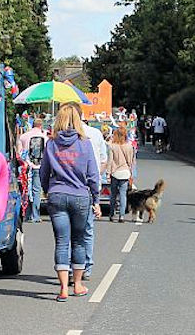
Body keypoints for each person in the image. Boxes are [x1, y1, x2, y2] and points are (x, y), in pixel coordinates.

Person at [39, 103, 100, 301]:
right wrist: (96, 199)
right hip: (80, 196)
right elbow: (93, 175)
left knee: (62, 242)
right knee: (79, 241)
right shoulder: (85, 143)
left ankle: (63, 288)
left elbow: (43, 172)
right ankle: (78, 284)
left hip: (57, 194)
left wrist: (49, 191)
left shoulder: (51, 143)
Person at [80, 115, 108, 278]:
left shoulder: (60, 135)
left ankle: (71, 267)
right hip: (90, 186)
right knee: (87, 229)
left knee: (70, 232)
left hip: (67, 187)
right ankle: (87, 267)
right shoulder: (96, 134)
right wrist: (97, 177)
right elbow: (104, 161)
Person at [17, 118, 48, 223]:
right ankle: (35, 215)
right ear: (41, 126)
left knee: (26, 190)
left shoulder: (23, 136)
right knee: (36, 191)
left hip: (26, 167)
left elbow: (19, 153)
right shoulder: (45, 137)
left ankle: (27, 214)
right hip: (39, 167)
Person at [106, 127, 136, 222]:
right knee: (123, 195)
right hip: (125, 173)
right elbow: (131, 162)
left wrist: (108, 173)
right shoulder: (129, 146)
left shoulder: (112, 146)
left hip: (115, 173)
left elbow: (110, 161)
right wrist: (131, 173)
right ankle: (122, 216)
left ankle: (111, 214)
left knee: (113, 195)